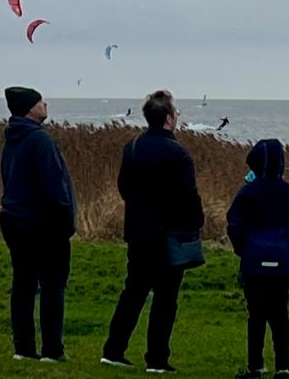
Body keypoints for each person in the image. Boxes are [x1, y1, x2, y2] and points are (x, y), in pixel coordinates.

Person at [102, 90, 204, 373]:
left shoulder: (132, 147)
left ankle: (113, 350)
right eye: (176, 114)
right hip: (169, 234)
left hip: (138, 232)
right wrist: (197, 222)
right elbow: (189, 195)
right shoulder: (179, 153)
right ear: (169, 119)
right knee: (165, 298)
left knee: (133, 291)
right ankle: (157, 359)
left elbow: (123, 187)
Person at [0, 86, 77, 363]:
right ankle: (52, 350)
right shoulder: (40, 140)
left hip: (14, 219)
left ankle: (23, 347)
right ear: (30, 108)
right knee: (52, 285)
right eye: (40, 101)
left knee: (23, 284)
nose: (46, 103)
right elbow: (54, 185)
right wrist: (66, 218)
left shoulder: (12, 137)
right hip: (43, 223)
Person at [227, 139, 289, 379]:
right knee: (280, 315)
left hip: (253, 261)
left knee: (256, 315)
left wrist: (243, 249)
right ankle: (283, 366)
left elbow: (234, 224)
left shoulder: (247, 192)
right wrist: (286, 245)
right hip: (280, 261)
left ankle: (255, 365)